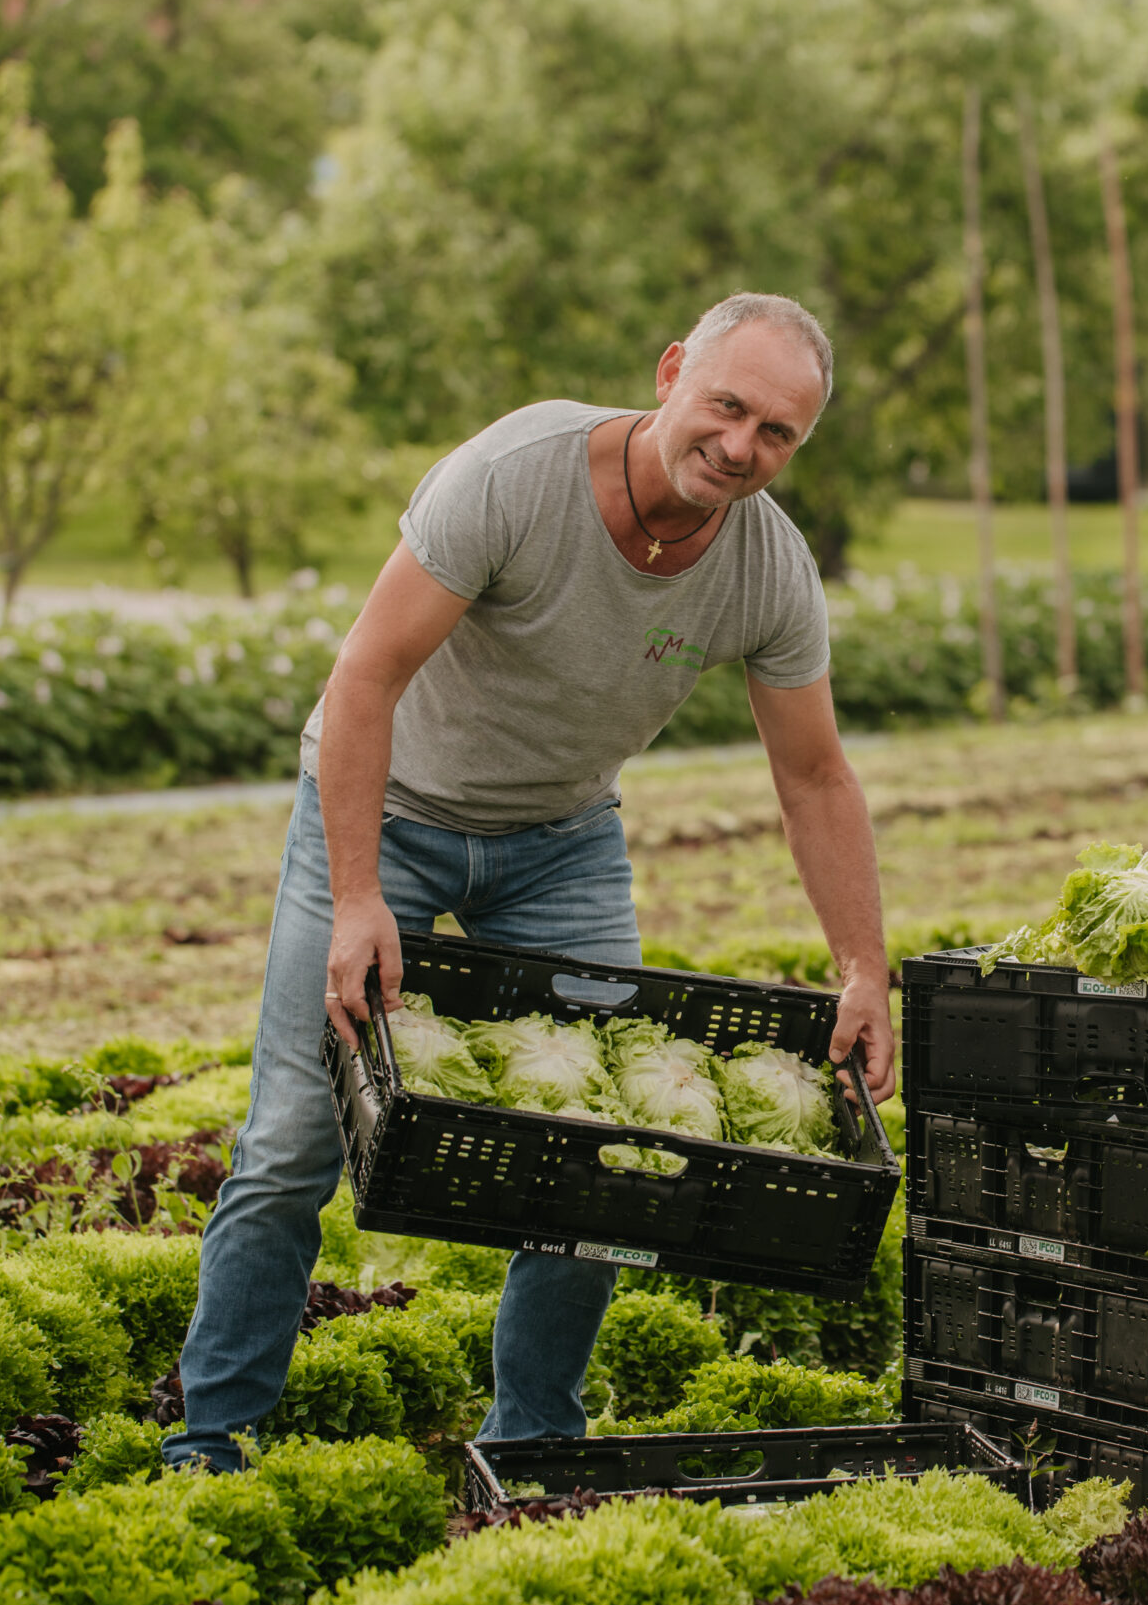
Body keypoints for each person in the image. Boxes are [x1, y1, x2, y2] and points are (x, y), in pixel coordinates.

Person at [161, 293, 895, 1473]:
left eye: (778, 434)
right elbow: (364, 679)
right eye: (727, 406)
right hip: (384, 812)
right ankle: (213, 1436)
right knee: (297, 1137)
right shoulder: (514, 474)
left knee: (605, 1150)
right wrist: (359, 898)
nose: (742, 447)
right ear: (671, 374)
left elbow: (814, 778)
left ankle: (535, 1444)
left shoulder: (767, 569)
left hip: (559, 839)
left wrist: (863, 966)